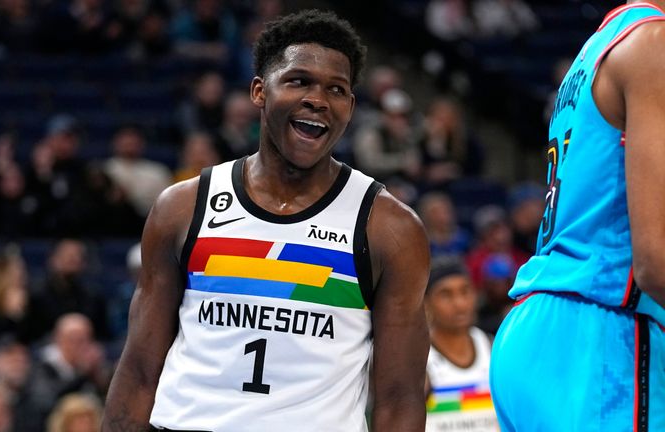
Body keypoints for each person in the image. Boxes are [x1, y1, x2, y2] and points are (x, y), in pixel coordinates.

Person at [103, 9, 430, 432]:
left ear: (349, 107)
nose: (318, 99)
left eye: (336, 89)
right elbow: (138, 370)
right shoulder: (183, 207)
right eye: (299, 81)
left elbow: (400, 397)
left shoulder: (389, 228)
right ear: (259, 91)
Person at [490, 2, 665, 431]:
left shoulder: (601, 46)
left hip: (545, 329)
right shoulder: (654, 44)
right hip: (603, 341)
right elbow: (656, 261)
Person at [424, 259, 497, 432]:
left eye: (465, 291)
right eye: (445, 295)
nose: (459, 303)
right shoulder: (418, 360)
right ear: (426, 303)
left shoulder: (493, 347)